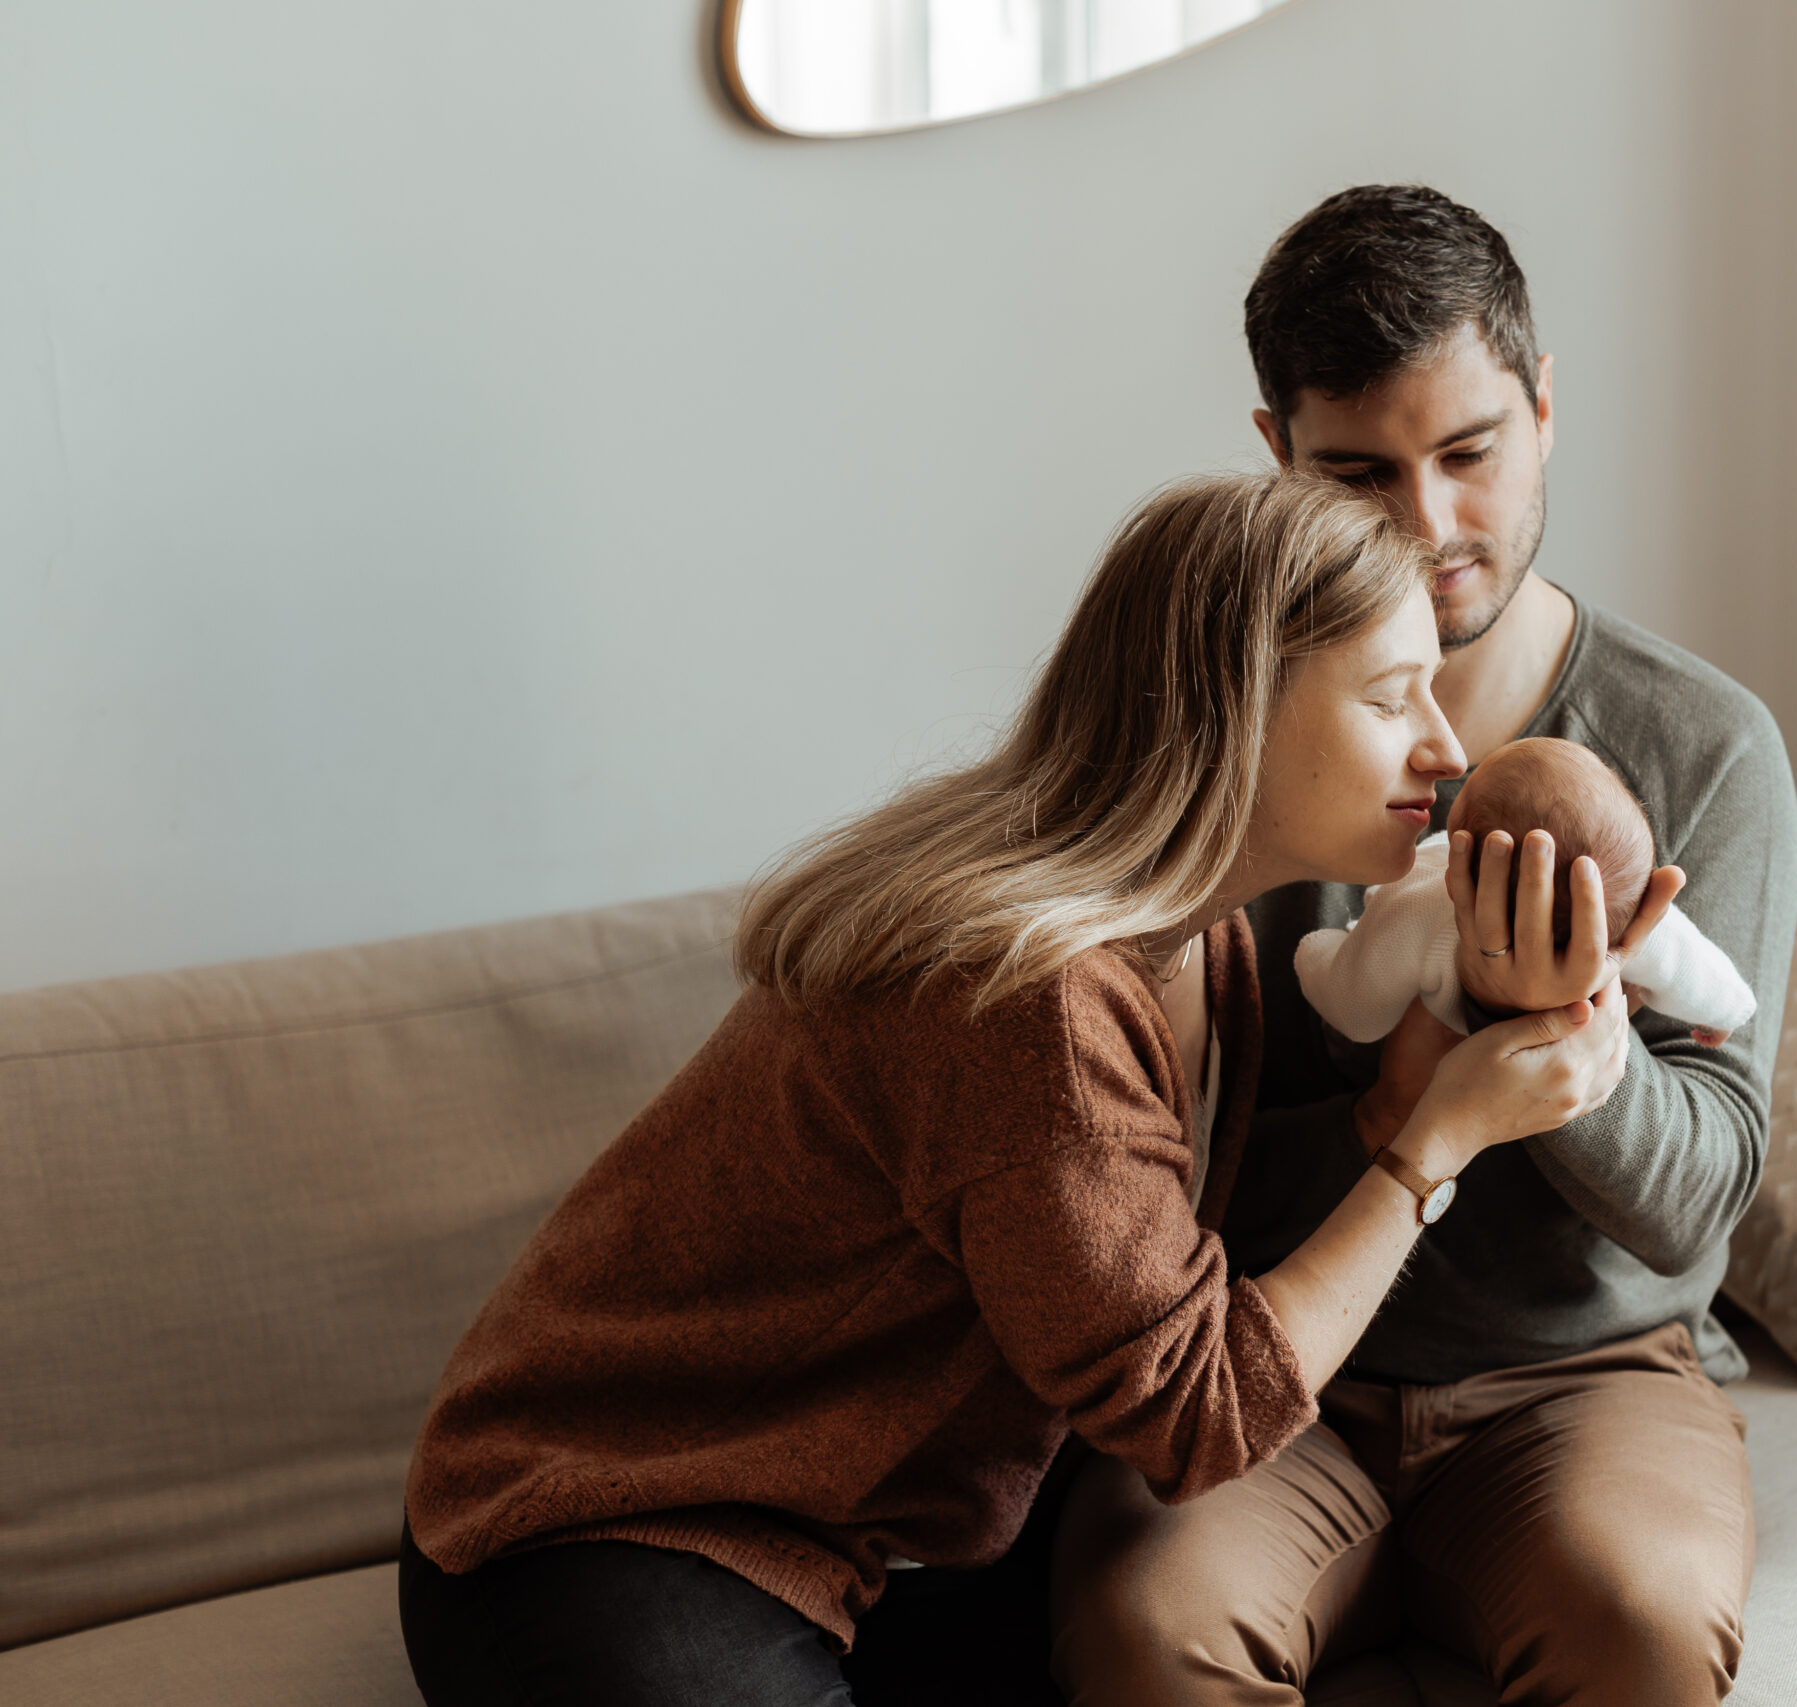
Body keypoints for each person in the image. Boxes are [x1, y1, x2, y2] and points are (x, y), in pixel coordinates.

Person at [394, 470, 1659, 1707]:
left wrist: (1446, 1060)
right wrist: (1437, 1145)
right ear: (1236, 711)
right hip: (620, 1526)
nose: (1444, 746)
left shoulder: (1198, 940)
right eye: (1391, 697)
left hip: (883, 1546)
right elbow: (1198, 1415)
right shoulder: (1030, 998)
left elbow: (1136, 1303)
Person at [1052, 186, 1797, 1705]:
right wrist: (1420, 1095)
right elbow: (1157, 1173)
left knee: (1643, 1626)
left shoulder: (1699, 744)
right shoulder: (1219, 750)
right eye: (1356, 472)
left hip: (1588, 1379)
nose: (1426, 525)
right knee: (1148, 1630)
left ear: (1542, 413)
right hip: (1270, 1366)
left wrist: (1572, 1049)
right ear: (1275, 457)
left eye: (1470, 453)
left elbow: (1700, 1206)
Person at [1294, 735, 1758, 1046]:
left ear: (1456, 830)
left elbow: (1356, 1012)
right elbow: (1698, 971)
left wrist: (1318, 950)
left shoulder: (1419, 901)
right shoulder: (1630, 921)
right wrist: (1728, 1014)